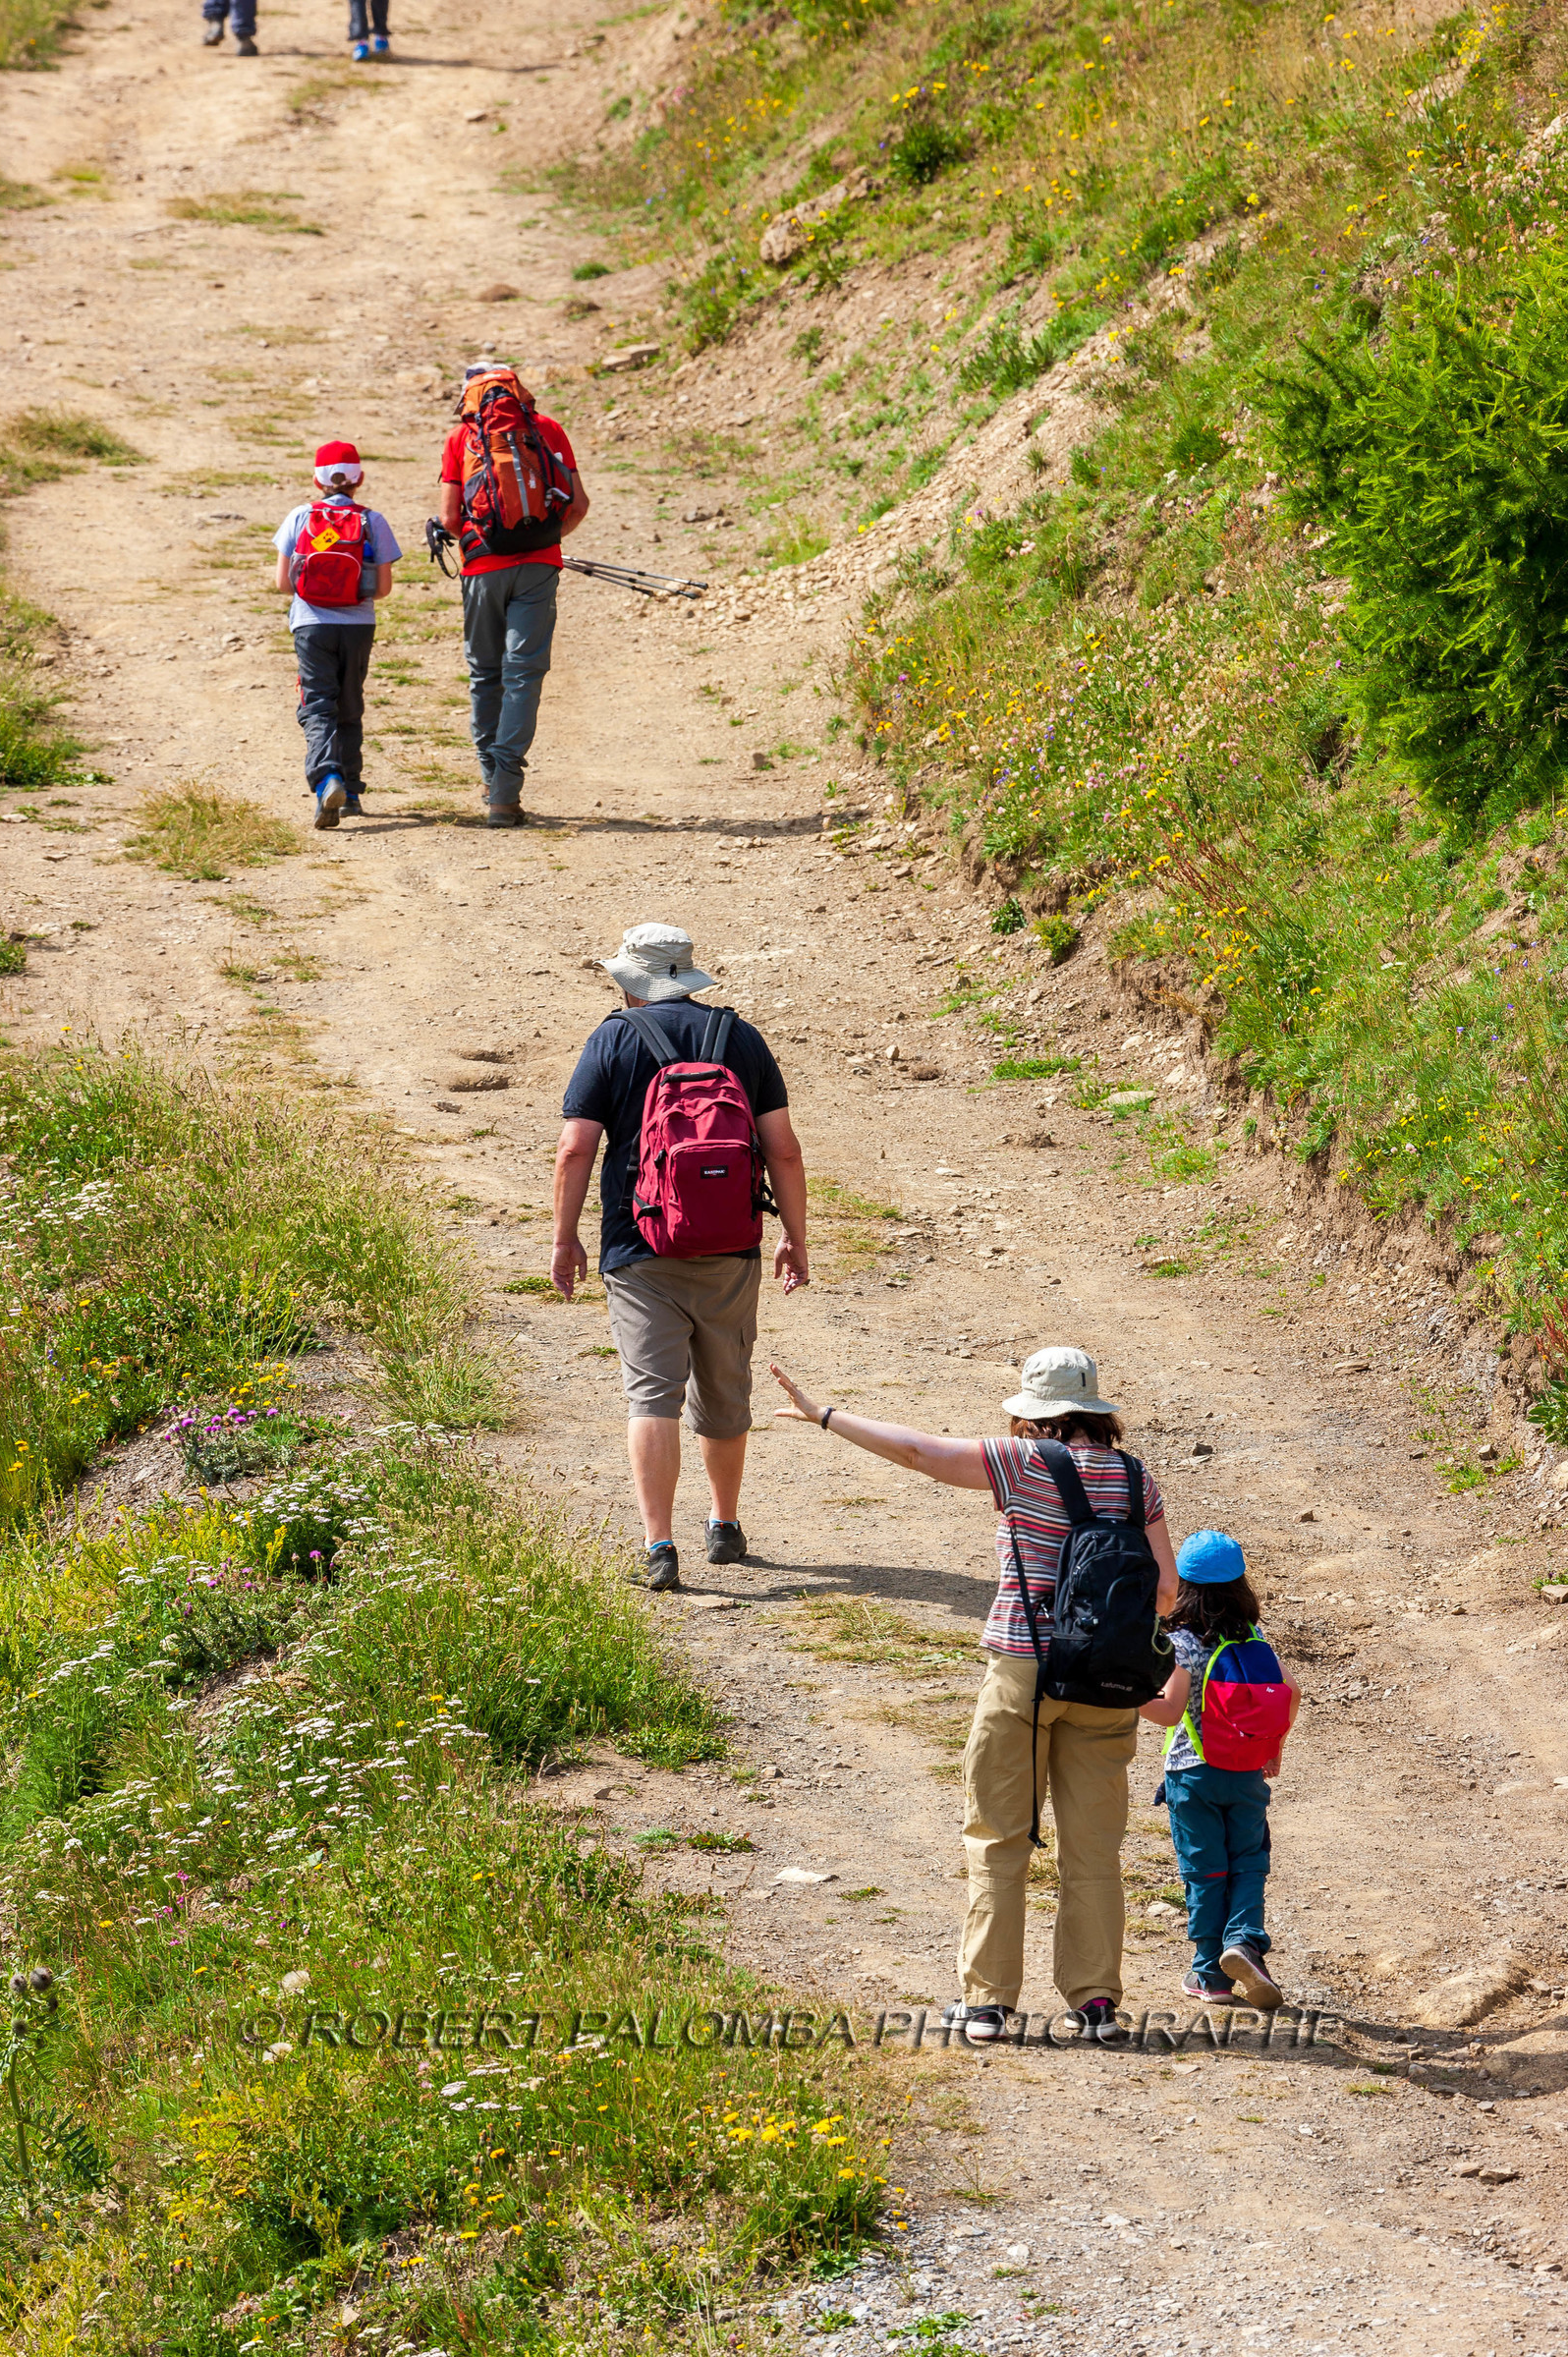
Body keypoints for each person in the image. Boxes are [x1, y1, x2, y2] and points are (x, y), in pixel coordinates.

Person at [771, 1345, 1178, 2045]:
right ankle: (1097, 2002)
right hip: (1108, 1684)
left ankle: (988, 2002)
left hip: (1024, 1668)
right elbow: (1166, 1590)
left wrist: (826, 1415)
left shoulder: (1019, 1462)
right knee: (1094, 1849)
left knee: (997, 1833)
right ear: (1095, 1410)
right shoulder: (1137, 1480)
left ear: (1035, 1412)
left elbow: (919, 1452)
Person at [553, 923, 810, 1593]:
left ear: (633, 982)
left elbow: (576, 1147)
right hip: (730, 1243)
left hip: (640, 1248)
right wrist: (795, 1236)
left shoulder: (613, 1037)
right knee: (726, 1391)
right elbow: (782, 1147)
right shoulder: (740, 1038)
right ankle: (724, 1525)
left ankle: (660, 1545)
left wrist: (564, 1236)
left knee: (652, 1397)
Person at [1139, 1529, 1300, 2009]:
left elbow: (1169, 1712)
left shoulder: (1182, 1642)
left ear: (1184, 1585)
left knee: (1205, 1870)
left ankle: (1210, 1973)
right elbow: (1290, 1692)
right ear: (1240, 1584)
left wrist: (1124, 1696)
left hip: (1193, 1774)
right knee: (1248, 1860)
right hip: (1247, 1771)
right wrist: (1274, 1747)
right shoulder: (1253, 1637)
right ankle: (1245, 1940)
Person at [437, 363, 589, 827]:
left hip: (483, 568)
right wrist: (544, 539)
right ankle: (505, 792)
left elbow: (448, 520)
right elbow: (578, 504)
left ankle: (490, 779)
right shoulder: (546, 429)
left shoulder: (460, 438)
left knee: (486, 674)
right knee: (524, 674)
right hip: (540, 567)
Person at [272, 440, 402, 830]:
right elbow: (381, 590)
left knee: (317, 704)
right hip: (359, 625)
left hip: (311, 623)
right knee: (349, 702)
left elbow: (283, 584)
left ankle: (328, 779)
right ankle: (353, 792)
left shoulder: (300, 516)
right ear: (358, 479)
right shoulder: (372, 521)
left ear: (317, 479)